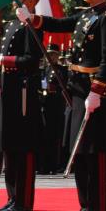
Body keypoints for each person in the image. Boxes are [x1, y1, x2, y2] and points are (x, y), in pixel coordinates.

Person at [17, 0, 106, 211]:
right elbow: (59, 24)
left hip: (92, 88)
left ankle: (100, 210)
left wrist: (98, 89)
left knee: (95, 152)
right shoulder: (86, 16)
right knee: (80, 151)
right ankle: (86, 206)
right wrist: (33, 18)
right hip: (77, 88)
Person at [0, 0, 43, 211]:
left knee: (23, 148)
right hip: (8, 92)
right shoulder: (11, 26)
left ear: (32, 0)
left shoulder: (32, 26)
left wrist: (5, 61)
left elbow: (31, 61)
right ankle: (12, 197)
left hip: (22, 94)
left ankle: (23, 200)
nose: (16, 1)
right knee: (9, 148)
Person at [39, 43, 67, 175]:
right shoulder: (43, 70)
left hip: (57, 105)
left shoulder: (62, 70)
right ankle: (44, 165)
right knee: (44, 136)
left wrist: (55, 90)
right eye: (49, 54)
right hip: (46, 104)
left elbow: (66, 87)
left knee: (56, 136)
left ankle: (55, 165)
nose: (51, 57)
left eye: (54, 55)